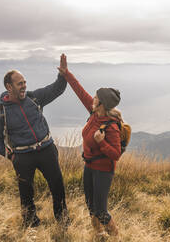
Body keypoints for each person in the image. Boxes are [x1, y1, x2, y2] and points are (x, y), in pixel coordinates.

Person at [0, 56, 69, 228]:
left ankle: (63, 223)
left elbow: (56, 90)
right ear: (9, 87)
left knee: (58, 187)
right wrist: (9, 155)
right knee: (26, 195)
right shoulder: (0, 112)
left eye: (24, 82)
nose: (24, 86)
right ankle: (31, 226)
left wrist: (63, 76)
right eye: (20, 83)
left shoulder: (34, 98)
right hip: (22, 156)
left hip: (46, 149)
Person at [57, 53, 122, 236]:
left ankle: (115, 236)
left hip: (103, 170)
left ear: (102, 104)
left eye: (95, 98)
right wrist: (66, 73)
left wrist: (102, 144)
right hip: (89, 166)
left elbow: (116, 154)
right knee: (91, 207)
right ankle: (99, 235)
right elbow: (80, 91)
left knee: (101, 210)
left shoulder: (111, 127)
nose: (92, 98)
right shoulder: (94, 112)